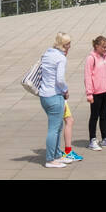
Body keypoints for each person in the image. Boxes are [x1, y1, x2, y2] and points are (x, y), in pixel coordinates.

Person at [38, 32, 72, 168]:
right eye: (68, 44)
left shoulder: (47, 54)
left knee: (58, 126)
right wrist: (65, 90)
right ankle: (50, 159)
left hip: (44, 96)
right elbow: (60, 79)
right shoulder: (61, 58)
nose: (70, 46)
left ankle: (57, 155)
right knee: (53, 129)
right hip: (54, 96)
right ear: (64, 45)